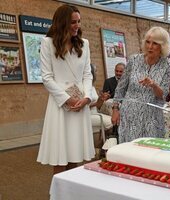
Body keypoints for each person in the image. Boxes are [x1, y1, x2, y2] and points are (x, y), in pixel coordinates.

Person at [37, 4, 95, 174]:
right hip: (60, 104)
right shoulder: (48, 43)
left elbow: (87, 74)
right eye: (72, 22)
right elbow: (47, 77)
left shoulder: (84, 44)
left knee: (76, 151)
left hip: (80, 102)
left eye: (79, 21)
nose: (77, 25)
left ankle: (72, 191)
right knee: (60, 154)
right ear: (62, 23)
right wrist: (67, 99)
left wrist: (87, 98)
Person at [111, 26, 170, 143]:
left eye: (155, 43)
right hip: (130, 115)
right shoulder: (134, 60)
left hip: (152, 118)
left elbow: (163, 94)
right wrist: (115, 109)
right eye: (148, 42)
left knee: (150, 153)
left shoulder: (168, 65)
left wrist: (153, 85)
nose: (150, 46)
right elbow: (120, 88)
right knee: (129, 152)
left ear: (163, 46)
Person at [90, 64, 113, 131]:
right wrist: (97, 102)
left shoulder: (92, 87)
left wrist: (101, 99)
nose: (97, 73)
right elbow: (85, 106)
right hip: (89, 116)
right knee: (111, 121)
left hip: (96, 113)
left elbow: (98, 106)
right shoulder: (84, 87)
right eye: (96, 71)